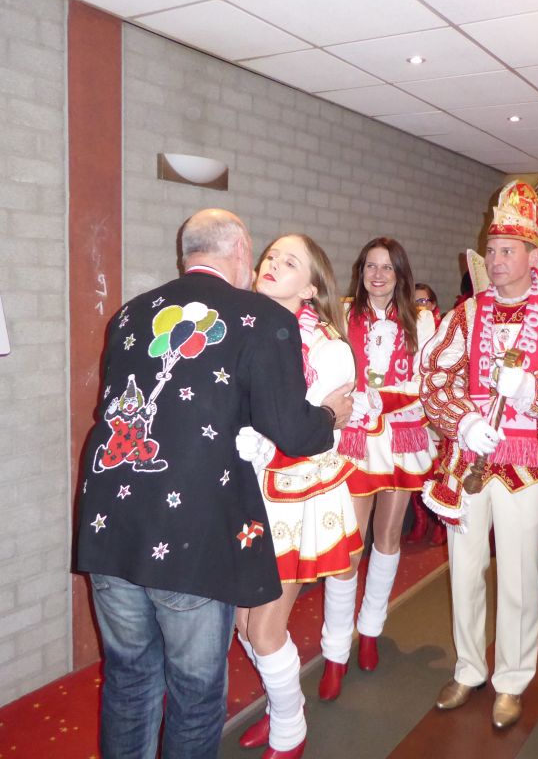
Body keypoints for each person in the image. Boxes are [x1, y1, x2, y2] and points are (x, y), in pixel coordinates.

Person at [74, 209, 352, 759]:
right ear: (241, 250)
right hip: (190, 536)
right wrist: (330, 416)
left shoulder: (129, 313)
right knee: (195, 692)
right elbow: (294, 431)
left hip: (108, 526)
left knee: (129, 679)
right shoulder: (262, 318)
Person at [420, 180, 538, 729]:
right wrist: (464, 421)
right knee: (464, 570)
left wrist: (531, 388)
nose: (497, 260)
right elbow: (434, 377)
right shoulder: (465, 314)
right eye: (492, 250)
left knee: (521, 578)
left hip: (527, 464)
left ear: (532, 255)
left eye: (507, 250)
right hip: (468, 462)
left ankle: (512, 680)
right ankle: (469, 667)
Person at [232, 234, 362, 759]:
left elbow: (307, 426)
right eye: (271, 257)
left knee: (264, 627)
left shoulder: (329, 349)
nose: (273, 264)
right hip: (247, 490)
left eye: (290, 262)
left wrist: (262, 440)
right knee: (244, 623)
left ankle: (290, 728)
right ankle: (281, 703)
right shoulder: (244, 325)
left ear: (310, 288)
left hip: (294, 495)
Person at [318, 237, 438, 698]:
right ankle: (335, 652)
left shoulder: (421, 320)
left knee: (388, 539)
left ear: (400, 274)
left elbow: (425, 381)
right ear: (361, 271)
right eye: (371, 266)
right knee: (349, 546)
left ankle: (370, 630)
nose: (378, 275)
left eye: (387, 267)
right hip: (355, 438)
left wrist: (384, 399)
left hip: (401, 437)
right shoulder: (342, 313)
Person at [404, 283, 447, 547]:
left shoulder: (445, 331)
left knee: (438, 468)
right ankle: (420, 521)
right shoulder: (405, 329)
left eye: (423, 302)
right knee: (415, 465)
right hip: (412, 404)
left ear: (433, 305)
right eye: (414, 302)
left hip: (437, 404)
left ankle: (440, 522)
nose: (419, 307)